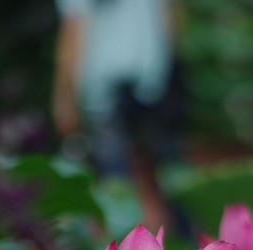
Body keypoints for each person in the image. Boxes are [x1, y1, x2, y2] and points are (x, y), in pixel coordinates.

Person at [52, 0, 185, 232]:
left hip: (104, 86)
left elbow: (73, 31)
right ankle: (187, 247)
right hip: (151, 77)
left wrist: (64, 97)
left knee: (116, 185)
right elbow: (172, 19)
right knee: (169, 176)